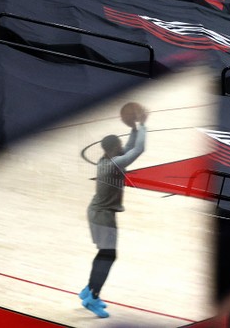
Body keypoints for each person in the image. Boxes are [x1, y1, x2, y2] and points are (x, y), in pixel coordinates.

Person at [80, 104, 148, 318]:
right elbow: (138, 150)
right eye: (119, 146)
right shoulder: (114, 164)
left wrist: (135, 128)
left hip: (99, 212)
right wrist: (143, 124)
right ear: (112, 150)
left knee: (104, 253)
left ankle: (88, 289)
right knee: (108, 255)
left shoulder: (107, 159)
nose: (122, 147)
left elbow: (129, 147)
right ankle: (93, 296)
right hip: (102, 215)